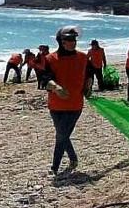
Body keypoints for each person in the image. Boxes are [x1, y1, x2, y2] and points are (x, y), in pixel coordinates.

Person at [38, 26, 92, 177]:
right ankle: (73, 159)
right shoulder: (50, 59)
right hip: (56, 105)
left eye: (74, 40)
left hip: (75, 104)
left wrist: (88, 87)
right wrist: (56, 87)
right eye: (68, 40)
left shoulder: (82, 57)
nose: (72, 43)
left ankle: (54, 167)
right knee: (63, 134)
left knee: (61, 135)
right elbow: (44, 79)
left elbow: (89, 74)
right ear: (61, 41)